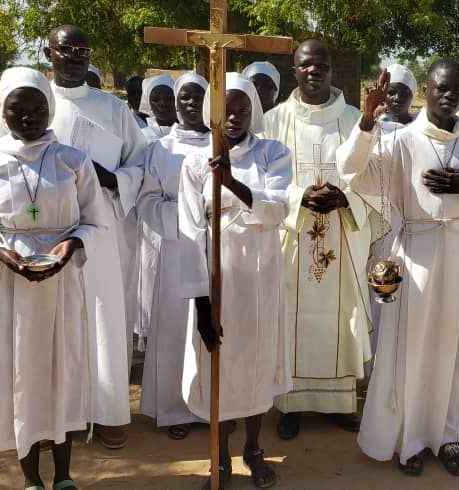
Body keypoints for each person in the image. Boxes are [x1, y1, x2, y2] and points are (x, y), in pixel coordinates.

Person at [341, 59, 459, 477]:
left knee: (452, 344)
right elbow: (351, 170)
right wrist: (366, 121)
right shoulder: (400, 139)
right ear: (426, 92)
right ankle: (409, 437)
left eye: (456, 90)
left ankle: (449, 434)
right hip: (414, 254)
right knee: (410, 347)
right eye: (440, 88)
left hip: (458, 252)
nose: (449, 95)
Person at [0, 66, 106, 490]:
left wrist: (71, 246)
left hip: (61, 282)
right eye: (16, 108)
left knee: (63, 372)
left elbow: (96, 223)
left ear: (50, 109)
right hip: (12, 289)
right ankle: (30, 480)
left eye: (37, 107)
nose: (28, 116)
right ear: (2, 112)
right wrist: (0, 254)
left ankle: (63, 476)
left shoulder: (73, 161)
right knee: (19, 376)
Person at [180, 73, 293, 489]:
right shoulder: (194, 163)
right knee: (221, 363)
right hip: (217, 274)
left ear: (254, 112)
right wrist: (201, 301)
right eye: (225, 109)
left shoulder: (273, 153)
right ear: (212, 112)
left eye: (243, 109)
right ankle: (221, 455)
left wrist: (231, 182)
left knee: (257, 360)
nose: (234, 117)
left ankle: (253, 448)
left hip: (261, 272)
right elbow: (190, 231)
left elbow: (278, 210)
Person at [262, 39, 377, 439]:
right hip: (292, 238)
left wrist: (348, 199)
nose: (314, 72)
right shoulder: (273, 121)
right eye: (306, 65)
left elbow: (374, 180)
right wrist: (298, 197)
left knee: (339, 318)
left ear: (331, 70)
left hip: (343, 237)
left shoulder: (355, 119)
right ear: (294, 70)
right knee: (291, 316)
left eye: (321, 66)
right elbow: (260, 182)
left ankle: (339, 402)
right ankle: (289, 404)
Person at [44, 24, 147, 449]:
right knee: (53, 320)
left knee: (104, 316)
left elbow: (140, 164)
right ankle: (56, 415)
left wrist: (111, 178)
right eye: (68, 49)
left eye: (84, 49)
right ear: (48, 52)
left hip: (103, 228)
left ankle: (107, 412)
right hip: (48, 228)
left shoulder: (112, 108)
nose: (76, 56)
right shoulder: (35, 101)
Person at [135, 72, 209, 440]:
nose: (191, 103)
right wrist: (183, 218)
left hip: (216, 247)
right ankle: (174, 407)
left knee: (211, 327)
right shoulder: (160, 149)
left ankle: (212, 404)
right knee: (176, 328)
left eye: (199, 96)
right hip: (177, 245)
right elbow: (147, 200)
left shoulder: (224, 144)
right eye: (185, 97)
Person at [336, 63, 417, 363]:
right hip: (373, 221)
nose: (395, 99)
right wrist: (368, 119)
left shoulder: (419, 131)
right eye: (390, 92)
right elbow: (350, 168)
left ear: (414, 95)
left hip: (410, 223)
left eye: (403, 93)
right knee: (377, 293)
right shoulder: (371, 127)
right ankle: (374, 369)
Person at [140, 74, 177, 144]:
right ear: (149, 103)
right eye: (156, 100)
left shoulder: (189, 135)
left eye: (169, 98)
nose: (163, 103)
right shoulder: (142, 137)